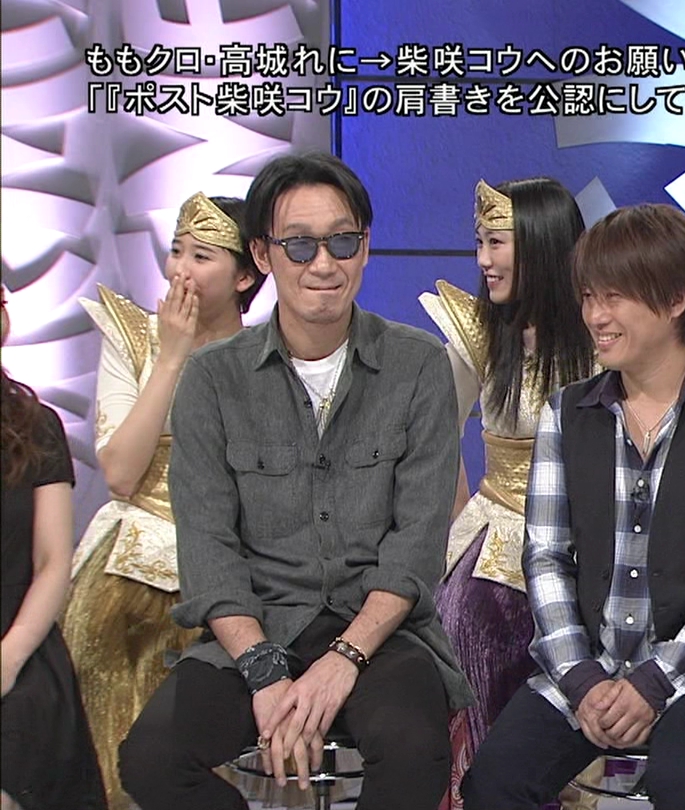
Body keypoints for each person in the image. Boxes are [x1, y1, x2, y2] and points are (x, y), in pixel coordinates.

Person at [117, 151, 473, 810]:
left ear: (366, 247)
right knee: (152, 761)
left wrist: (344, 660)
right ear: (263, 253)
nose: (324, 264)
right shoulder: (212, 379)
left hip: (380, 633)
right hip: (256, 629)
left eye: (343, 242)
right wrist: (264, 670)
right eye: (300, 245)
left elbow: (416, 546)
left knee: (414, 749)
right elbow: (209, 549)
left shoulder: (418, 365)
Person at [462, 204, 685, 810]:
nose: (596, 317)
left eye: (614, 297)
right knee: (494, 782)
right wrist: (582, 679)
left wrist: (653, 681)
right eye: (589, 297)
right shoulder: (566, 413)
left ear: (675, 300)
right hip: (587, 668)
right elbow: (546, 558)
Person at [65, 192, 265, 810]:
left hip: (225, 576)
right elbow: (121, 473)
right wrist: (172, 356)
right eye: (177, 251)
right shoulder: (132, 337)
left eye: (202, 256)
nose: (180, 268)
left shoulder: (267, 359)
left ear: (245, 276)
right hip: (126, 570)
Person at [420, 177, 596, 809]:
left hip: (584, 548)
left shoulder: (604, 337)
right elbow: (432, 440)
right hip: (495, 539)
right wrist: (456, 528)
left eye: (497, 243)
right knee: (473, 623)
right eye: (480, 243)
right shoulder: (478, 334)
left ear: (544, 247)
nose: (483, 260)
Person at [1, 286, 108, 810]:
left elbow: (51, 563)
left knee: (22, 729)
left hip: (20, 639)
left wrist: (9, 657)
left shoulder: (35, 425)